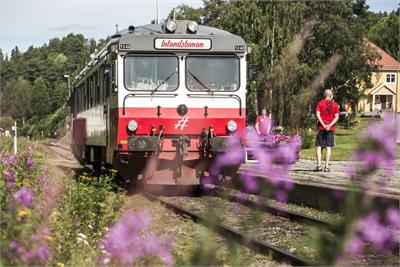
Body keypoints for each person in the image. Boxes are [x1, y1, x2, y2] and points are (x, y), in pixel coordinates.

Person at [315, 89, 339, 172]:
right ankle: (326, 167)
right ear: (331, 96)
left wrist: (323, 125)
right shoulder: (335, 105)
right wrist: (329, 125)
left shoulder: (320, 103)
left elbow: (317, 115)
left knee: (319, 146)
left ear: (324, 95)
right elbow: (336, 117)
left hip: (321, 128)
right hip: (330, 129)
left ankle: (318, 165)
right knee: (328, 147)